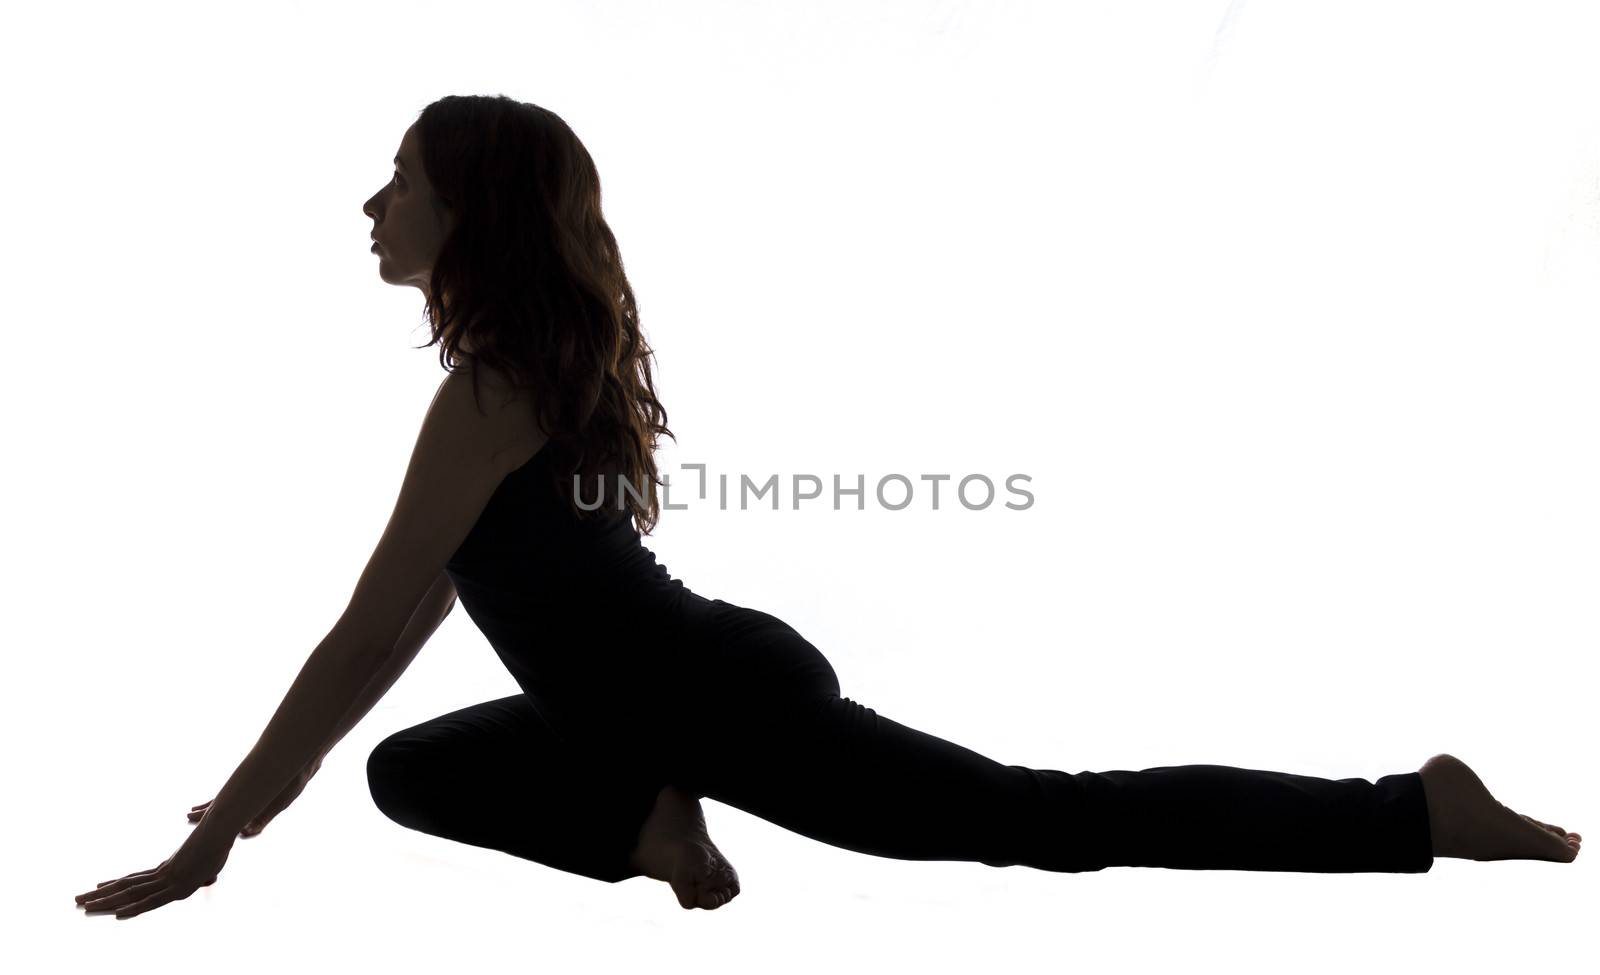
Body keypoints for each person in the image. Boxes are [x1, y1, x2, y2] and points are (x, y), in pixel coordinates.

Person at [74, 95, 1580, 921]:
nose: (370, 203)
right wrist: (256, 807)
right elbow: (406, 634)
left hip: (710, 695)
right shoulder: (516, 381)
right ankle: (652, 823)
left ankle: (1412, 811)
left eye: (398, 177)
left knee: (1034, 824)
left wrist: (222, 838)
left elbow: (359, 629)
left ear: (470, 211)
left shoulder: (494, 393)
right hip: (646, 707)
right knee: (415, 769)